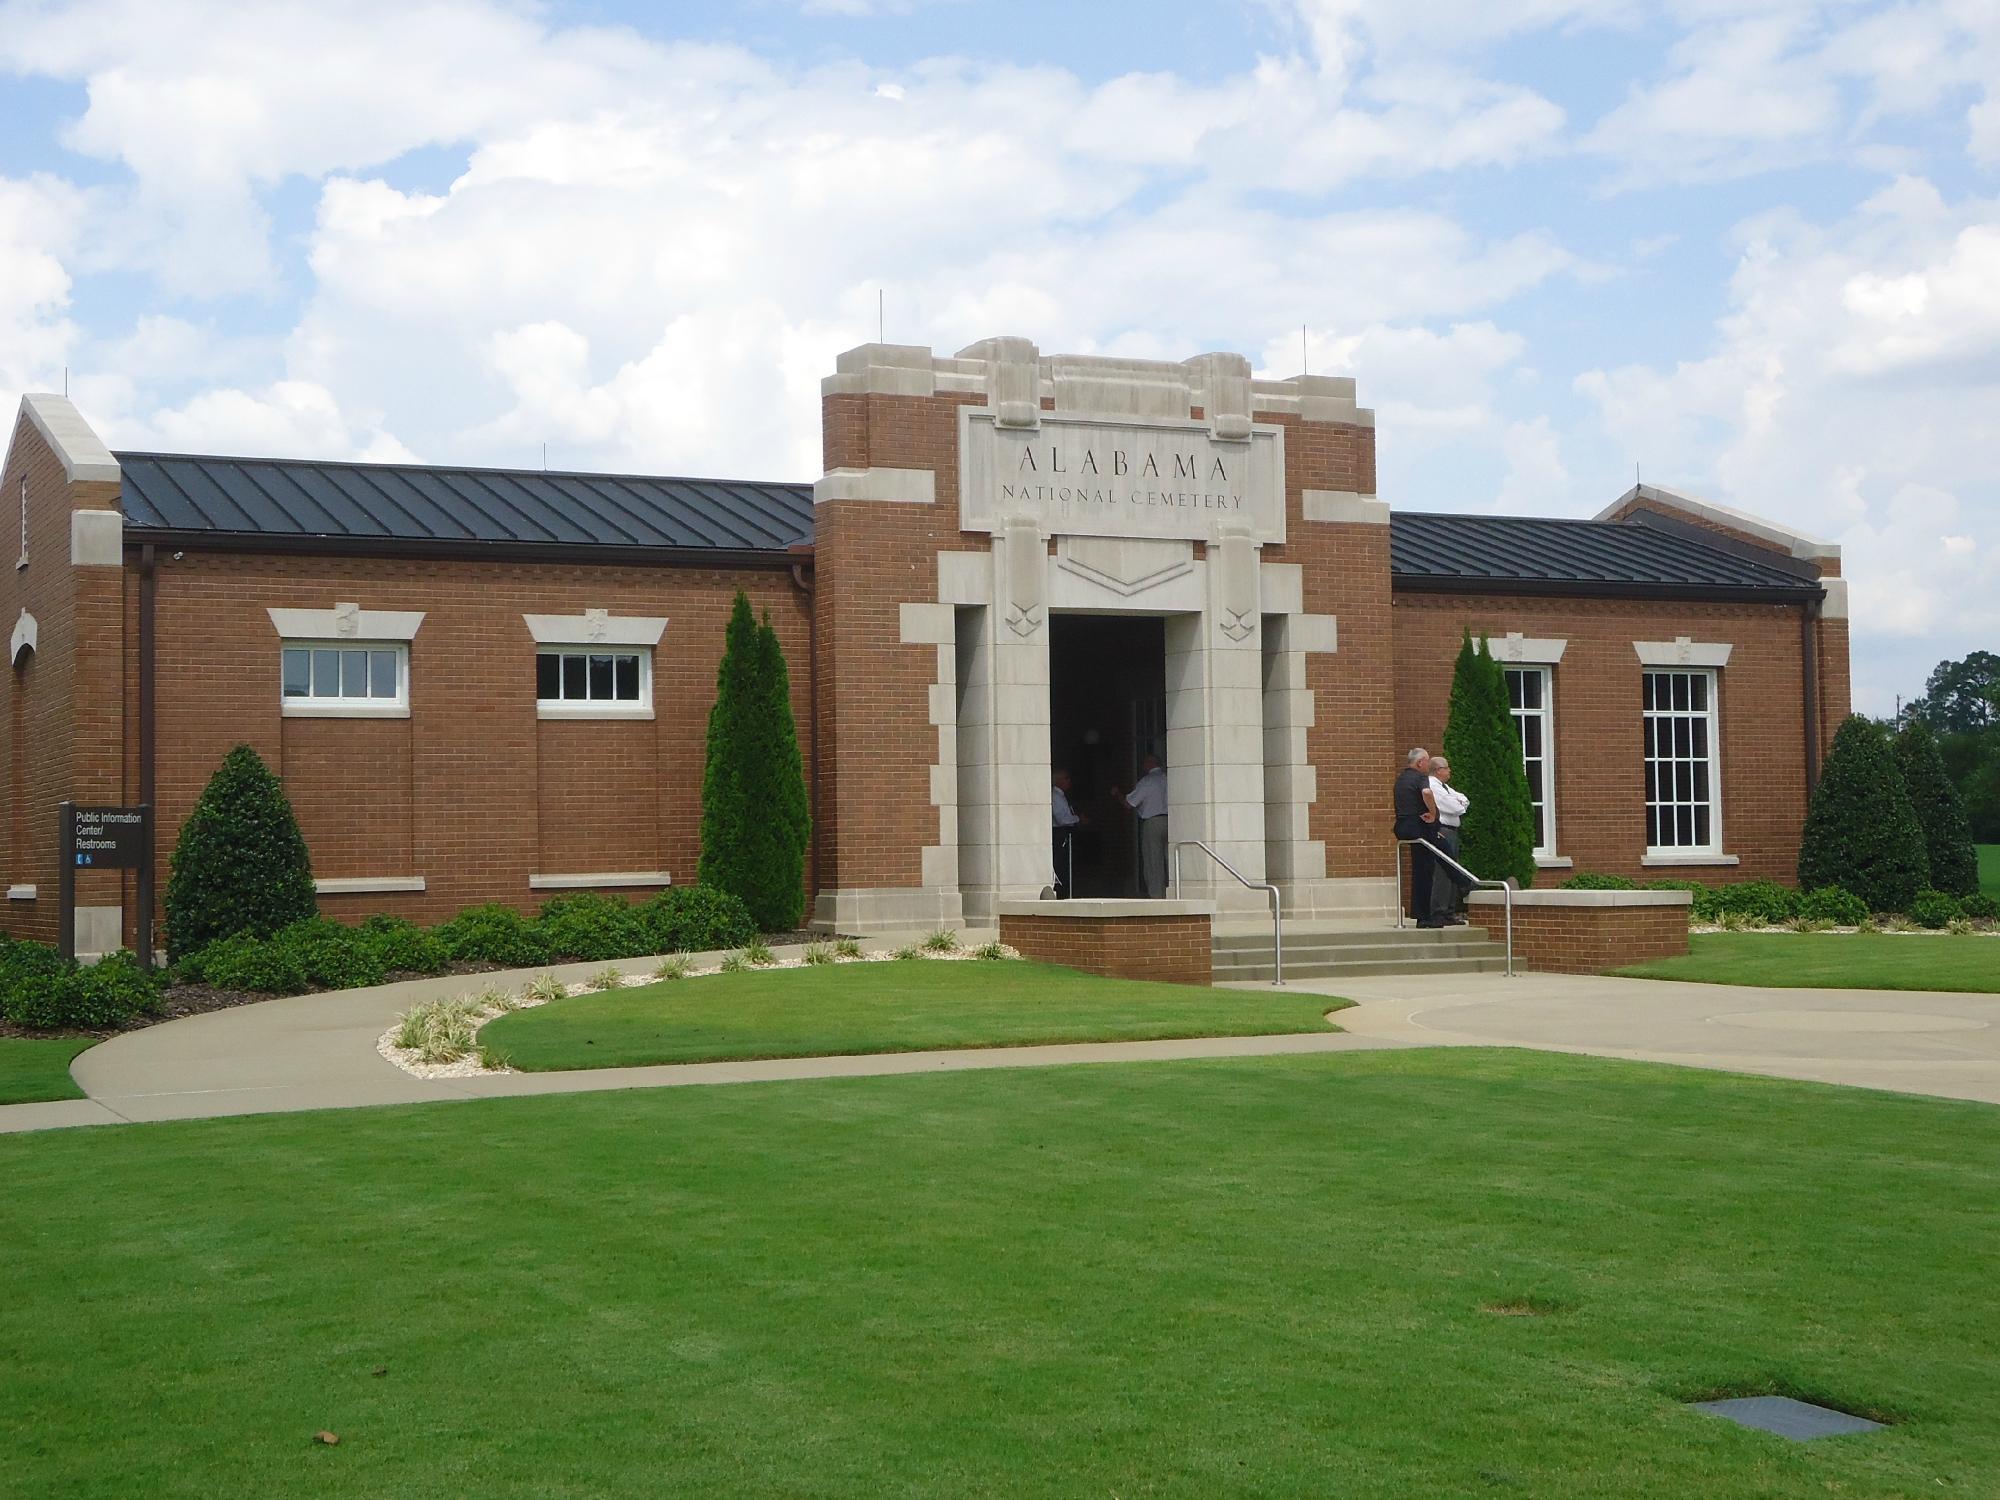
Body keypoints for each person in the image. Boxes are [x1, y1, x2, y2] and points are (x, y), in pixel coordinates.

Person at [1392, 746, 1438, 924]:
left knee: (1420, 869)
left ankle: (1422, 914)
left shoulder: (1401, 778)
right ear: (1420, 763)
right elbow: (1426, 793)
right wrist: (1433, 813)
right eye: (1427, 760)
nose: (1429, 764)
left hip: (1402, 826)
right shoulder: (1420, 777)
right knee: (1425, 870)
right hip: (1419, 827)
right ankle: (1424, 916)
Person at [1424, 755, 1472, 926]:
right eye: (1446, 768)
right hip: (1443, 830)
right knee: (1443, 873)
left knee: (1453, 870)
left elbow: (1463, 799)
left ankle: (1449, 911)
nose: (1449, 770)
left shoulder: (1444, 787)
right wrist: (1460, 804)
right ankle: (1440, 910)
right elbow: (1455, 807)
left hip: (1452, 830)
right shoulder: (1433, 786)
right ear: (1438, 770)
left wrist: (1460, 804)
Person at [1118, 752, 1170, 899]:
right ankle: (1174, 892)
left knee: (1153, 861)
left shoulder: (1147, 781)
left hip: (1152, 822)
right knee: (1170, 859)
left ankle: (1157, 896)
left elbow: (1129, 803)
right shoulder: (1168, 778)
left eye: (1145, 762)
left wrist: (1117, 794)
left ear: (1151, 763)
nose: (1143, 766)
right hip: (1171, 821)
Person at [1051, 767, 1082, 899]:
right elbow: (1061, 819)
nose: (1069, 781)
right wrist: (1078, 818)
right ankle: (1063, 894)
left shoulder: (1061, 795)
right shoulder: (1055, 796)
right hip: (1060, 834)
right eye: (1066, 778)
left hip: (1065, 834)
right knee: (1062, 867)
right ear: (1057, 780)